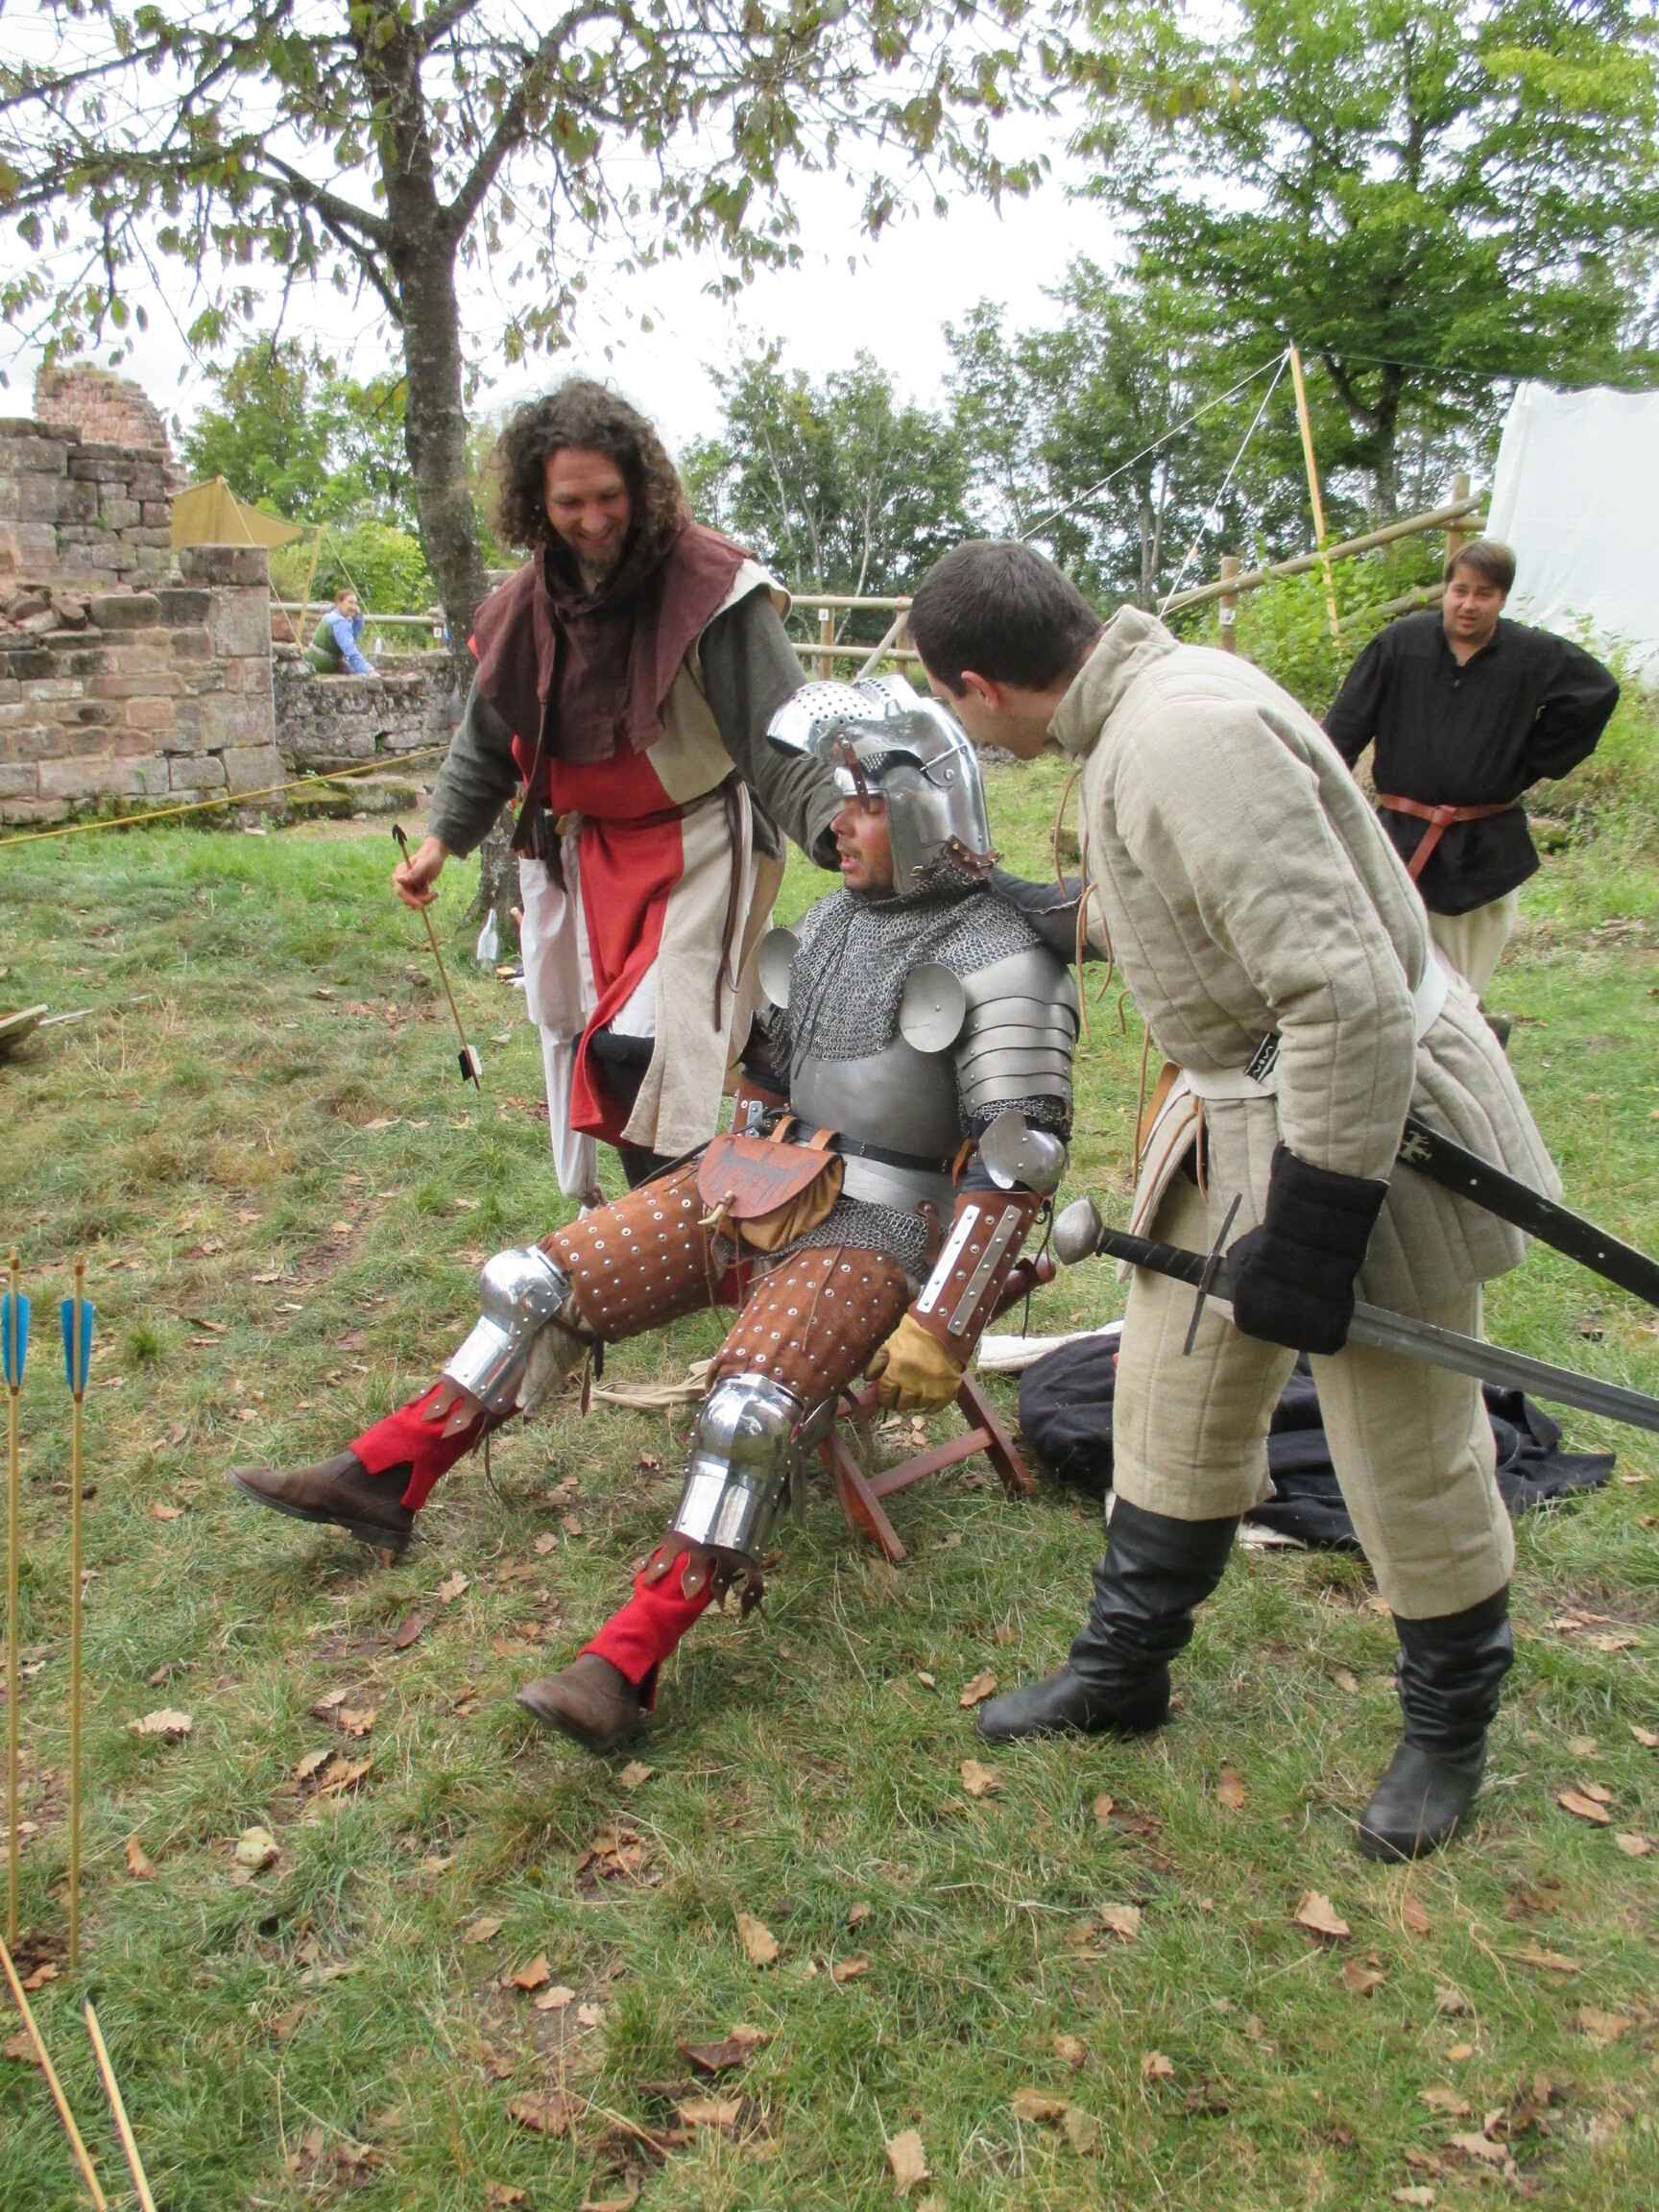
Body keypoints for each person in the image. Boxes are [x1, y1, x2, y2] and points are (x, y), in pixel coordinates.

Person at [228, 677, 1076, 1749]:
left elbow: (1018, 1159)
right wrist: (732, 1187)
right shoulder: (831, 922)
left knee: (746, 1414)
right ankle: (388, 1474)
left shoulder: (1003, 958)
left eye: (862, 805)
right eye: (838, 801)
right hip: (770, 1179)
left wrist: (944, 1322)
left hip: (893, 1221)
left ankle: (627, 1663)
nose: (836, 824)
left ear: (925, 811)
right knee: (530, 1282)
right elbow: (772, 1073)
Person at [906, 537, 1561, 1863]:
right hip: (1236, 1112)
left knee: (1406, 1445)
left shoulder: (1183, 737)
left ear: (979, 687)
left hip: (1361, 1116)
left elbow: (1343, 996)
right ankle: (1123, 1671)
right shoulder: (1139, 719)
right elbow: (1191, 905)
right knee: (1173, 1399)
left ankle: (1448, 1731)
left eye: (951, 706)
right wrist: (1045, 910)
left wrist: (1314, 1231)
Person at [391, 381, 841, 1199]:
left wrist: (837, 826)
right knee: (609, 1051)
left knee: (642, 1052)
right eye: (570, 502)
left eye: (608, 496)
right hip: (594, 863)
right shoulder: (523, 609)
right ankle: (687, 1203)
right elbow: (487, 742)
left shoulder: (709, 586)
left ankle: (679, 1227)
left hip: (700, 850)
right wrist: (437, 843)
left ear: (639, 484)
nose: (593, 520)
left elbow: (781, 731)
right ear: (536, 502)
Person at [1324, 539, 1619, 1000]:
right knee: (1381, 979)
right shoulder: (1400, 645)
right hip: (1398, 842)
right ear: (1446, 590)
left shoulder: (1531, 654)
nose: (1468, 604)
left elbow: (1596, 692)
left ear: (1502, 599)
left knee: (1462, 994)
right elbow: (1342, 731)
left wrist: (1528, 763)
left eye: (1484, 594)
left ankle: (1463, 1040)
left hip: (1485, 850)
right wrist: (1320, 801)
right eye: (1460, 590)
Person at [304, 586, 375, 676]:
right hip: (322, 665)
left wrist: (358, 617)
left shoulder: (332, 615)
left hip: (314, 660)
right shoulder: (339, 623)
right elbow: (350, 651)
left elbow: (352, 636)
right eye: (350, 603)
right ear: (339, 603)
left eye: (355, 604)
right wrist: (369, 671)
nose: (354, 607)